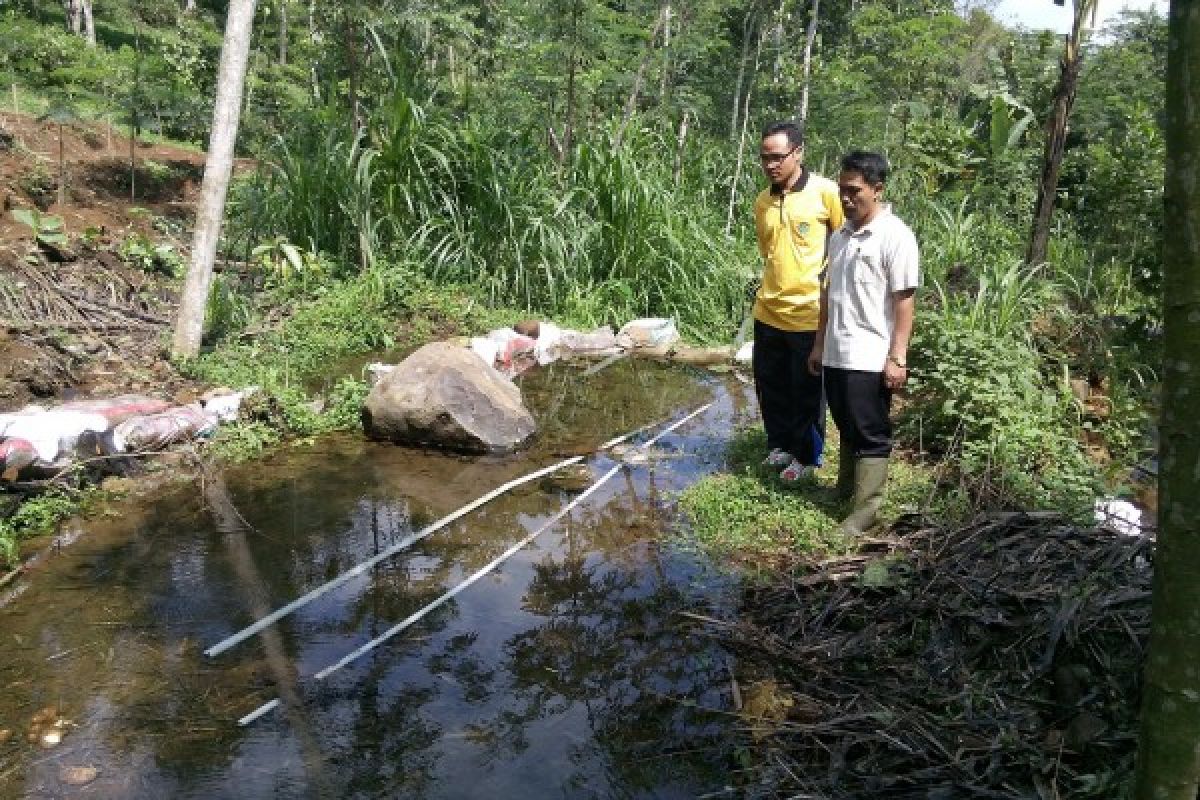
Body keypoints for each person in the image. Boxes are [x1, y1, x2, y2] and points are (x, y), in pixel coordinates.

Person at [808, 150, 919, 534]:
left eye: (854, 190)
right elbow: (827, 295)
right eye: (842, 189)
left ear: (877, 189)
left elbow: (904, 301)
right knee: (846, 423)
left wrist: (898, 357)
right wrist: (820, 345)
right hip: (838, 350)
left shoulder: (895, 237)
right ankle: (846, 491)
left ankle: (867, 513)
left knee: (870, 431)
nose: (845, 198)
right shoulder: (839, 237)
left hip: (870, 355)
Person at [750, 121, 845, 485]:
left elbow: (842, 246)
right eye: (764, 158)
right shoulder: (764, 201)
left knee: (806, 390)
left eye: (777, 157)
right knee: (771, 384)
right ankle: (780, 444)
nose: (770, 164)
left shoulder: (826, 193)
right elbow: (768, 252)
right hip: (769, 309)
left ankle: (807, 455)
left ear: (798, 153)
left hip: (809, 312)